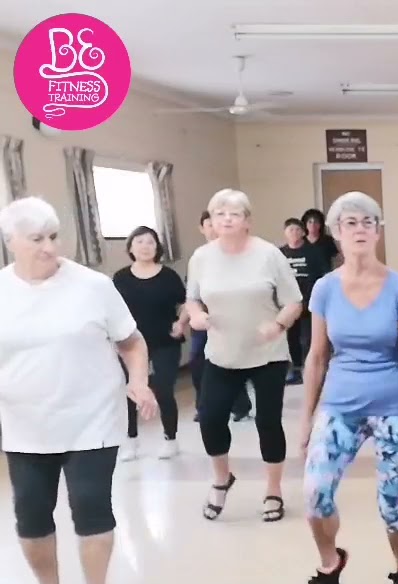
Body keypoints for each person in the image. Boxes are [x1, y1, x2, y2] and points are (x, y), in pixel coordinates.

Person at [0, 196, 158, 584]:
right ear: (11, 242)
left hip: (92, 418)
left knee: (90, 506)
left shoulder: (92, 285)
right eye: (36, 239)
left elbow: (131, 341)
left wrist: (139, 381)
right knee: (30, 514)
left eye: (53, 236)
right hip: (24, 424)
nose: (49, 247)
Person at [299, 192, 398, 584]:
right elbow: (317, 355)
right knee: (315, 493)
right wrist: (305, 420)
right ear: (336, 233)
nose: (359, 229)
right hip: (339, 404)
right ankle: (329, 562)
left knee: (391, 503)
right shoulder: (324, 289)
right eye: (349, 222)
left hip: (393, 406)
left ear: (377, 230)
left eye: (367, 222)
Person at [186, 189, 304, 523]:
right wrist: (195, 315)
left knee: (268, 422)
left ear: (247, 221)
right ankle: (222, 479)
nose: (226, 218)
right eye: (219, 213)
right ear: (211, 220)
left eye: (234, 213)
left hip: (267, 353)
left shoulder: (269, 255)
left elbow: (294, 302)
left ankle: (273, 489)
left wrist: (278, 324)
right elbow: (193, 298)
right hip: (222, 353)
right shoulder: (201, 258)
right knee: (210, 418)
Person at [113, 225, 187, 460]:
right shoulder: (121, 277)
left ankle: (170, 438)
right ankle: (131, 440)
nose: (145, 246)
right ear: (131, 248)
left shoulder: (168, 276)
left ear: (158, 248)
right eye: (140, 242)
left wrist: (181, 323)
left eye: (151, 242)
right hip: (130, 343)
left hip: (165, 340)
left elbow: (185, 303)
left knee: (163, 389)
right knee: (130, 391)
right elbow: (112, 310)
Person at [190, 210, 252, 423]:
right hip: (204, 322)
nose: (213, 230)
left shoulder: (237, 255)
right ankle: (204, 406)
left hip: (230, 321)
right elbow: (191, 296)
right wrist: (188, 318)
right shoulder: (199, 257)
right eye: (208, 225)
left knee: (232, 362)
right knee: (198, 361)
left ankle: (240, 405)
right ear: (202, 229)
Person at [280, 217, 326, 385]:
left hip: (310, 302)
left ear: (303, 232)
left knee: (308, 338)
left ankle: (312, 369)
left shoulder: (313, 252)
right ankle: (297, 369)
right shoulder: (280, 254)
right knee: (291, 338)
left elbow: (323, 275)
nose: (294, 233)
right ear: (285, 233)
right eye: (290, 230)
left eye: (297, 230)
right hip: (289, 303)